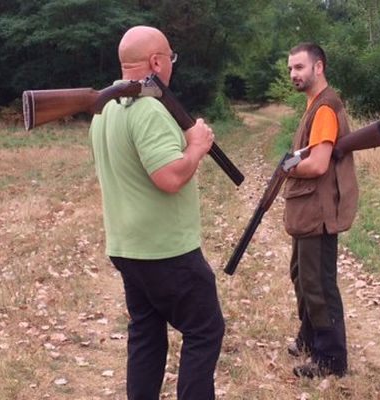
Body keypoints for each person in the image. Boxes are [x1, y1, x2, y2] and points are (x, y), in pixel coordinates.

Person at [89, 26, 225, 400]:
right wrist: (196, 145)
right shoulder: (148, 108)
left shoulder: (104, 110)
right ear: (155, 62)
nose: (171, 65)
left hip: (128, 247)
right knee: (205, 330)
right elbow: (169, 177)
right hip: (167, 250)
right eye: (170, 58)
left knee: (146, 335)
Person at [283, 42, 358, 379]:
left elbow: (317, 164)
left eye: (299, 67)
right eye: (290, 69)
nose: (293, 74)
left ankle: (332, 358)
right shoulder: (314, 105)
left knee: (319, 285)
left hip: (319, 211)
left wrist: (287, 167)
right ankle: (310, 336)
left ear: (319, 67)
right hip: (308, 210)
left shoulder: (325, 108)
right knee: (302, 275)